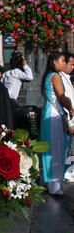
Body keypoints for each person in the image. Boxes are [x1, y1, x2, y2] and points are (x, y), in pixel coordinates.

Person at [40, 51, 74, 196]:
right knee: (56, 148)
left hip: (48, 112)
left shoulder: (48, 75)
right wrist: (71, 107)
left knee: (49, 147)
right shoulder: (55, 76)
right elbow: (61, 97)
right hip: (54, 116)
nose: (64, 63)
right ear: (54, 62)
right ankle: (54, 183)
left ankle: (48, 181)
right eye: (62, 61)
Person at [59, 53, 74, 174]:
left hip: (71, 118)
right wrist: (70, 123)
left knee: (69, 147)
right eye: (71, 64)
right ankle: (67, 172)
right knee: (66, 148)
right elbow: (65, 100)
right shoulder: (61, 79)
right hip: (68, 118)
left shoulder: (67, 78)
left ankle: (69, 171)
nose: (72, 67)